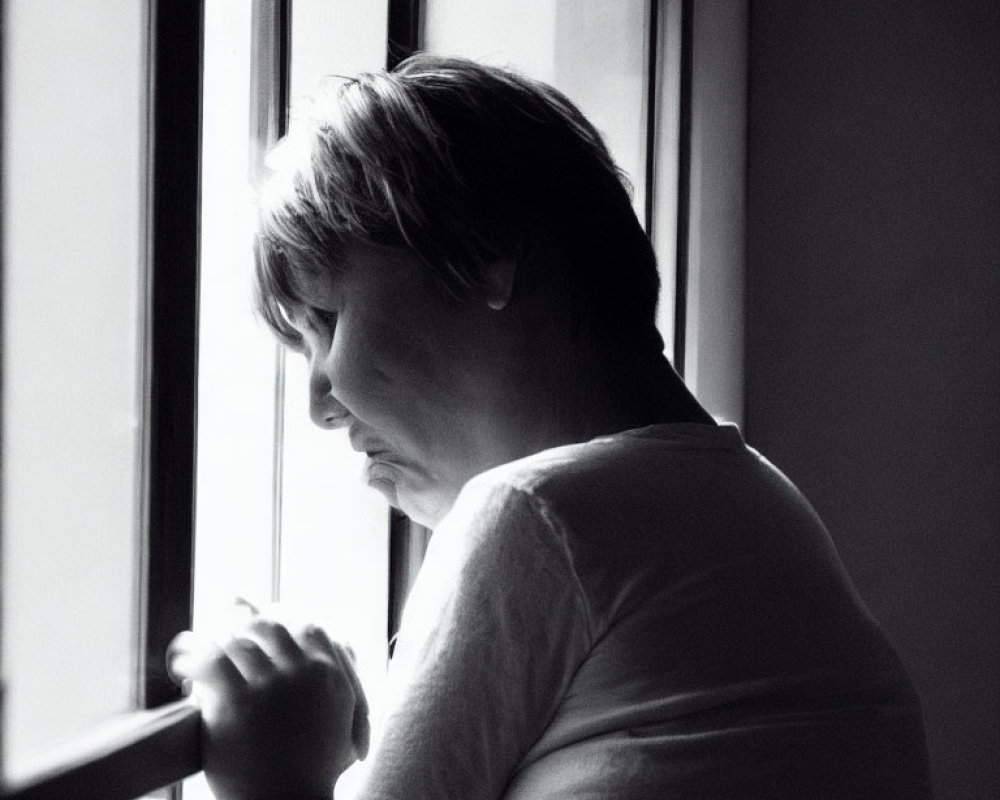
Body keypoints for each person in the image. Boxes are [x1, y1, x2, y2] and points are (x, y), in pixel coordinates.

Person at [169, 55, 932, 799]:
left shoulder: (534, 515)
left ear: (484, 252)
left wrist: (286, 777)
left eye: (329, 322)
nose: (319, 402)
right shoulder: (760, 504)